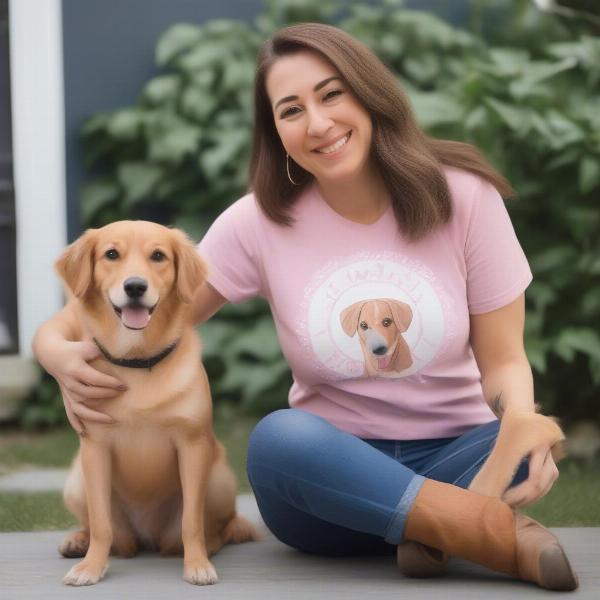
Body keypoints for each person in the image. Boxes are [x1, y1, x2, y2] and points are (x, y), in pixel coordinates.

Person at [33, 23, 577, 590]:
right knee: (280, 441)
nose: (318, 124)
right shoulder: (256, 223)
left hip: (460, 458)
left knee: (521, 433)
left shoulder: (464, 196)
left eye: (332, 94)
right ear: (276, 131)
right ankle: (476, 528)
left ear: (370, 94)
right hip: (328, 482)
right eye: (291, 110)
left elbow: (505, 359)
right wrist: (56, 356)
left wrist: (519, 424)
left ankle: (435, 526)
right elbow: (90, 320)